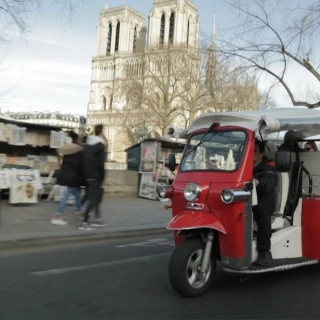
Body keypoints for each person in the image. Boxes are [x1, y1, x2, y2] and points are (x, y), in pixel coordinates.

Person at [253, 139, 278, 266]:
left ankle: (264, 251)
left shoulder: (269, 168)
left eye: (254, 151)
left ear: (261, 154)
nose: (250, 153)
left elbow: (269, 182)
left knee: (261, 210)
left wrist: (258, 182)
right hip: (246, 201)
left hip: (265, 200)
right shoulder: (240, 168)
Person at [51, 131, 84, 226]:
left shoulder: (68, 150)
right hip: (73, 177)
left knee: (77, 194)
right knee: (67, 196)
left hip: (67, 176)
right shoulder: (78, 150)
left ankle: (81, 211)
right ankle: (57, 215)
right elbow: (79, 165)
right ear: (77, 140)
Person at [79, 124, 107, 230]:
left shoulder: (88, 144)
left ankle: (97, 219)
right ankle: (84, 221)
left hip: (87, 175)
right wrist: (102, 176)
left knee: (93, 197)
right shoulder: (100, 145)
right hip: (96, 176)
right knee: (94, 198)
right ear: (101, 132)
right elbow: (101, 163)